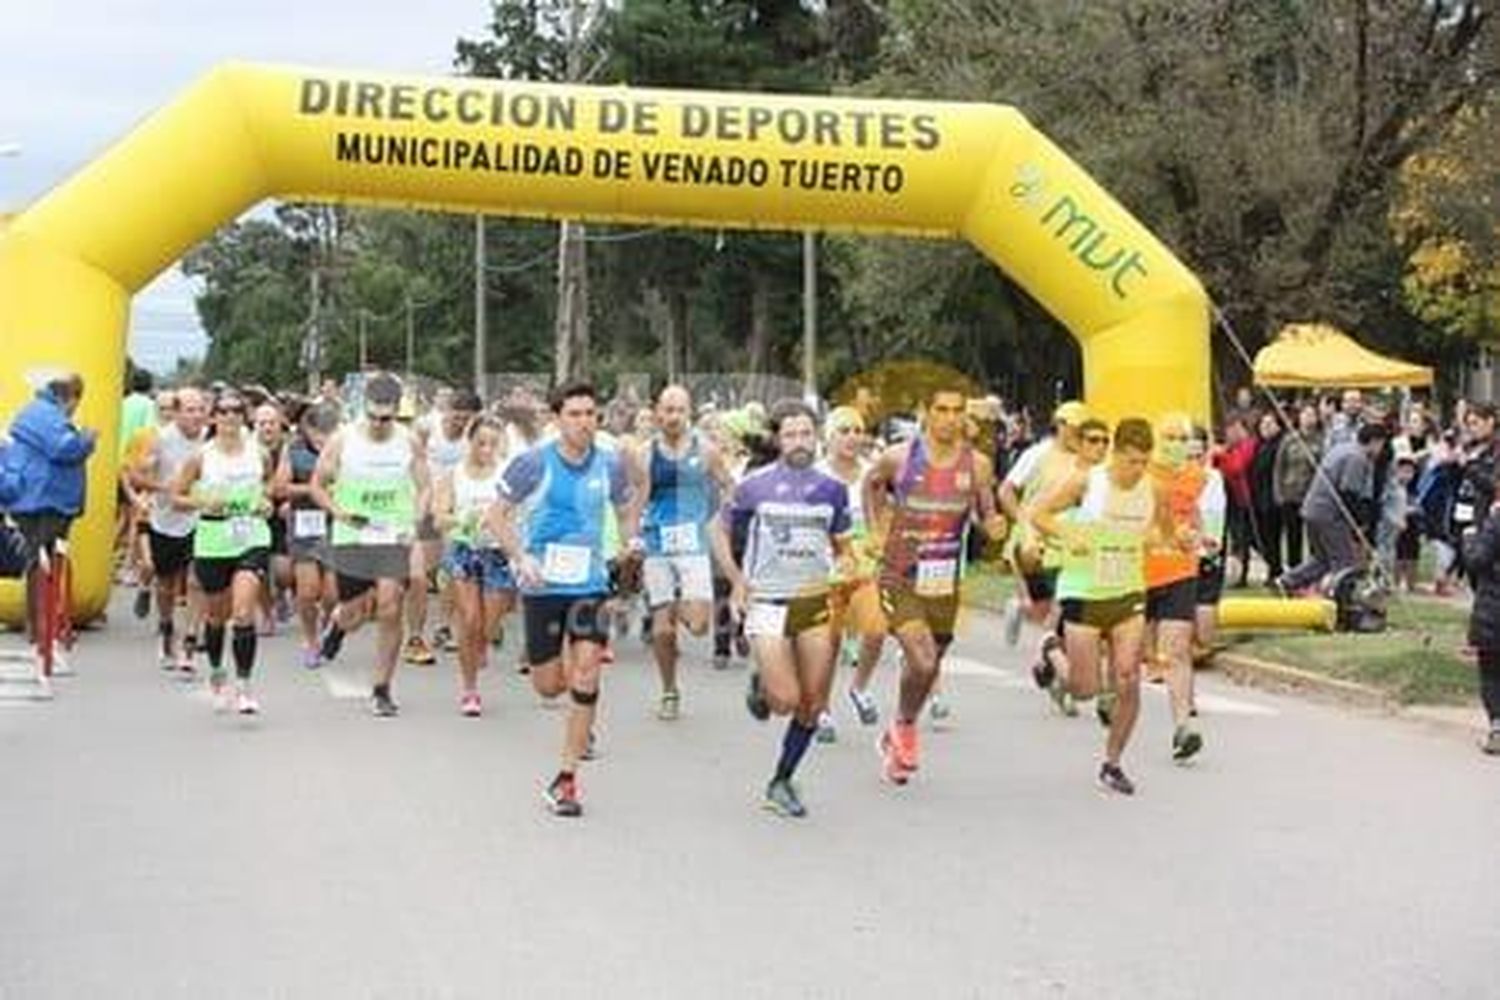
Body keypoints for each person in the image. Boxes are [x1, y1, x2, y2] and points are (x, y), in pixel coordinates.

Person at [488, 380, 641, 818]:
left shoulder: (609, 465)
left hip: (589, 585)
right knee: (549, 684)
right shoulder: (532, 464)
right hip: (542, 586)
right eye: (574, 414)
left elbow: (627, 507)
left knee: (588, 672)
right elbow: (495, 517)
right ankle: (573, 705)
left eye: (591, 413)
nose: (584, 422)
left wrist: (630, 540)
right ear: (557, 419)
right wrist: (520, 557)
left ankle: (567, 778)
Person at [712, 399, 853, 818]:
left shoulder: (832, 490)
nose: (799, 442)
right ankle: (765, 685)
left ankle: (782, 780)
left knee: (813, 703)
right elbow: (717, 531)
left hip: (813, 602)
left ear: (817, 436)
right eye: (790, 434)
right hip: (768, 601)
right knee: (787, 700)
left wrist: (848, 568)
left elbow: (843, 546)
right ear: (777, 439)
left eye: (806, 433)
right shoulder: (753, 485)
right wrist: (738, 581)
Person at [864, 384, 1008, 786]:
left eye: (956, 410)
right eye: (941, 409)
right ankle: (907, 728)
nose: (949, 418)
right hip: (900, 573)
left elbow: (985, 511)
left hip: (944, 578)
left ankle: (897, 728)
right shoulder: (899, 457)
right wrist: (877, 529)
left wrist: (993, 525)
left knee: (927, 666)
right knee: (924, 659)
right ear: (925, 412)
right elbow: (871, 484)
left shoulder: (977, 464)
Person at [1033, 418, 1166, 796]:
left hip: (1127, 591)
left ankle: (1113, 763)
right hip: (1085, 590)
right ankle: (1050, 650)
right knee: (1084, 689)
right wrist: (1071, 535)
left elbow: (1162, 530)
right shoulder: (1087, 481)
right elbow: (1039, 514)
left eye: (1143, 462)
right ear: (1115, 453)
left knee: (1127, 677)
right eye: (1130, 462)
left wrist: (1175, 539)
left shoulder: (1153, 487)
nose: (1135, 470)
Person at [311, 372, 432, 718]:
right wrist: (339, 512)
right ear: (364, 408)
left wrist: (415, 523)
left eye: (387, 417)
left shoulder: (409, 441)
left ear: (398, 412)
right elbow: (318, 484)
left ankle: (382, 688)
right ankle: (337, 624)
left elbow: (424, 487)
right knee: (353, 611)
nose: (380, 423)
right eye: (374, 416)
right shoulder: (343, 439)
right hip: (354, 534)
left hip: (393, 534)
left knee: (390, 606)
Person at [635, 384, 734, 721]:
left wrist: (721, 520)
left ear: (688, 413)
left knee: (698, 625)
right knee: (663, 630)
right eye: (667, 410)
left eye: (680, 410)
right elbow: (636, 499)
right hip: (657, 545)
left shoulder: (705, 450)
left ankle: (674, 604)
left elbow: (729, 486)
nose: (673, 417)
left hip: (693, 544)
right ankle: (669, 690)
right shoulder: (646, 453)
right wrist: (631, 535)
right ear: (657, 412)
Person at [170, 393, 272, 714]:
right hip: (213, 538)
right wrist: (202, 502)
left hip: (250, 534)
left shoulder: (260, 453)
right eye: (224, 412)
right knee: (216, 616)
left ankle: (243, 687)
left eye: (236, 411)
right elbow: (175, 496)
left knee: (243, 613)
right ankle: (216, 670)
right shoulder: (202, 457)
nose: (230, 417)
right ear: (214, 418)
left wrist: (266, 501)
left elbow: (267, 486)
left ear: (245, 416)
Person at [2, 372, 97, 670]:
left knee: (43, 566)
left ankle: (43, 636)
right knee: (41, 568)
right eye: (75, 403)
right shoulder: (47, 415)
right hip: (44, 499)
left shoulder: (36, 411)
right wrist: (86, 440)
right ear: (69, 398)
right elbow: (62, 448)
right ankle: (41, 638)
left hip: (41, 498)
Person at [433, 413, 515, 717]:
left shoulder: (507, 474)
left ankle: (483, 642)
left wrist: (502, 525)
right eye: (481, 442)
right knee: (469, 619)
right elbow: (439, 515)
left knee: (488, 624)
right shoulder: (454, 475)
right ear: (470, 442)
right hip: (465, 550)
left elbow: (517, 513)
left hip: (497, 553)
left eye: (493, 443)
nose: (486, 449)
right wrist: (461, 520)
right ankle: (470, 689)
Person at [819, 406, 887, 738]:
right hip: (825, 566)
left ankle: (859, 687)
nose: (851, 437)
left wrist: (880, 543)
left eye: (857, 431)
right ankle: (822, 709)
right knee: (828, 642)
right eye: (843, 431)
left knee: (876, 628)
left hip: (864, 565)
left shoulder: (872, 473)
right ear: (828, 437)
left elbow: (881, 515)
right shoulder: (815, 475)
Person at [1142, 414, 1207, 760]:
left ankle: (1183, 726)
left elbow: (1192, 513)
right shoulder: (1141, 477)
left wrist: (1199, 534)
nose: (1179, 446)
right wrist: (1168, 534)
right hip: (1138, 573)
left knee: (1177, 649)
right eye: (1171, 438)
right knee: (1130, 657)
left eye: (1184, 439)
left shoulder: (1196, 476)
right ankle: (1109, 693)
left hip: (1180, 572)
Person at [132, 386, 209, 673]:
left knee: (196, 580)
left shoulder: (210, 440)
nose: (197, 415)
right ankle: (166, 626)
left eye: (201, 409)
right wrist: (165, 487)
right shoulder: (161, 440)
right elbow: (137, 476)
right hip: (165, 520)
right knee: (165, 584)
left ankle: (190, 638)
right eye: (190, 409)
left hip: (201, 519)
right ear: (176, 413)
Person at [409, 388, 480, 663]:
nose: (460, 423)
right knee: (421, 572)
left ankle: (444, 626)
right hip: (425, 505)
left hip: (454, 508)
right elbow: (411, 463)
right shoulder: (427, 427)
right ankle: (415, 631)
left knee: (451, 570)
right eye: (456, 417)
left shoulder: (474, 437)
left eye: (466, 419)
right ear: (447, 411)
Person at [1278, 423, 1391, 594]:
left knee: (1322, 559)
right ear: (1375, 442)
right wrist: (1360, 522)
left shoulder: (1342, 448)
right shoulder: (1357, 458)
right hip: (1328, 514)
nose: (1381, 450)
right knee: (1344, 561)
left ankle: (1286, 581)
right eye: (1381, 444)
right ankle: (1340, 598)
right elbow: (1348, 493)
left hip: (1312, 509)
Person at [273, 402, 340, 669]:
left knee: (333, 594)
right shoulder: (294, 451)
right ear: (307, 430)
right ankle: (311, 640)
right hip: (306, 524)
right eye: (319, 432)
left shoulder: (347, 451)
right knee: (307, 590)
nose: (324, 439)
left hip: (337, 524)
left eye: (329, 432)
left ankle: (328, 627)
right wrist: (311, 490)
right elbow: (279, 488)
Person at [1462, 498, 1500, 755]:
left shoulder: (1496, 522)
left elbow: (1477, 561)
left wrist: (1469, 539)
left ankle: (1497, 727)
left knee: (1491, 671)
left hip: (1493, 606)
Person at [1273, 403, 1321, 576]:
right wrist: (1278, 493)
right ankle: (1294, 574)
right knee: (1293, 537)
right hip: (1290, 495)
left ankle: (1312, 574)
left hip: (1311, 496)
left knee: (1313, 538)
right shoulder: (1289, 440)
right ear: (1299, 418)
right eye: (1305, 414)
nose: (1309, 418)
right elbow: (1279, 467)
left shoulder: (1320, 440)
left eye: (1312, 415)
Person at [1248, 411, 1285, 584]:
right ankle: (1273, 566)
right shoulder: (1259, 445)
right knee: (1260, 538)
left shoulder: (1279, 446)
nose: (1266, 428)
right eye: (1263, 425)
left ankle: (1275, 570)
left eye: (1270, 424)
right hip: (1259, 498)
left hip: (1273, 499)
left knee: (1273, 537)